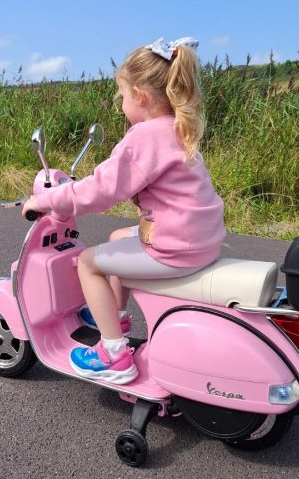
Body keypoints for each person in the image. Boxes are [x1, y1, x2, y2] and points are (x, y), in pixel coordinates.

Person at [21, 37, 226, 384]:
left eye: (123, 96)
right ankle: (115, 317)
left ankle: (114, 353)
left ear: (141, 97)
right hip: (200, 240)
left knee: (88, 264)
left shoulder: (144, 136)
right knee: (117, 237)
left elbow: (100, 192)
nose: (121, 105)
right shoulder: (178, 128)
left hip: (172, 247)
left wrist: (44, 200)